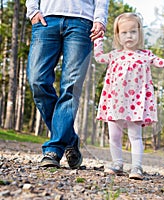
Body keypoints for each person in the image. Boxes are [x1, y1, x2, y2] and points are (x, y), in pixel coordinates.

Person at [94, 13, 164, 180]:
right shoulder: (114, 55)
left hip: (135, 103)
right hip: (114, 100)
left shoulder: (145, 55)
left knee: (135, 136)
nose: (129, 36)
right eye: (124, 33)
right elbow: (98, 57)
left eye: (133, 32)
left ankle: (136, 166)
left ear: (139, 33)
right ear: (117, 35)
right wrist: (98, 39)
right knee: (114, 135)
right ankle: (117, 163)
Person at [26, 0, 109, 169]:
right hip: (46, 20)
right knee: (37, 80)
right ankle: (69, 138)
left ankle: (54, 149)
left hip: (82, 22)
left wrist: (100, 19)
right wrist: (32, 10)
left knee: (71, 87)